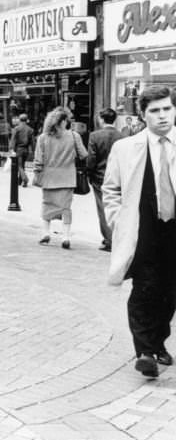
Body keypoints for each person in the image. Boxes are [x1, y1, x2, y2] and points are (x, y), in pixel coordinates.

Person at [102, 85, 176, 378]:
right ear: (143, 116)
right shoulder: (125, 147)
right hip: (142, 229)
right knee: (145, 288)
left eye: (166, 109)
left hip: (174, 231)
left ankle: (157, 342)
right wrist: (119, 220)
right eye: (154, 111)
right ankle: (145, 351)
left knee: (169, 292)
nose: (162, 116)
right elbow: (111, 189)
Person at [32, 106, 88, 249]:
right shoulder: (74, 136)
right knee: (66, 208)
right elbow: (84, 155)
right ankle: (65, 237)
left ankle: (46, 233)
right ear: (63, 121)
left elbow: (38, 161)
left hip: (49, 178)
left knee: (47, 205)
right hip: (68, 177)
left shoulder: (42, 138)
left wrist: (37, 175)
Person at [86, 107, 124, 253]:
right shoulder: (122, 136)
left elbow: (91, 159)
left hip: (100, 177)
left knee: (103, 208)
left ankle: (109, 240)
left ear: (101, 119)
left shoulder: (95, 136)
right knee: (117, 207)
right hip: (119, 177)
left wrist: (89, 174)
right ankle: (117, 237)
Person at [9, 114, 36, 187]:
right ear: (26, 120)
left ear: (20, 120)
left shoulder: (17, 128)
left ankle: (25, 179)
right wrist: (33, 151)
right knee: (22, 165)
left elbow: (13, 139)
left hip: (19, 149)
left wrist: (11, 149)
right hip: (26, 150)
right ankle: (20, 181)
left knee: (19, 165)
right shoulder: (30, 130)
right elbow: (33, 142)